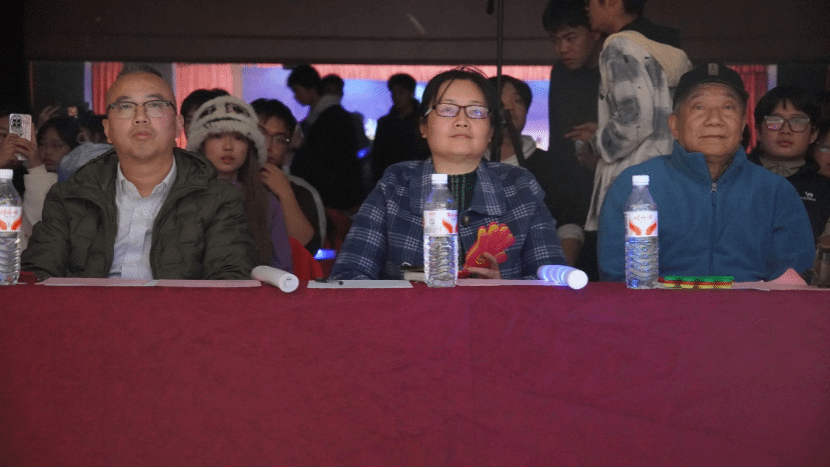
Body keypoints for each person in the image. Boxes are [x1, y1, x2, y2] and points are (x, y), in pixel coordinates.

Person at [22, 65, 257, 279]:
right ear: (108, 130)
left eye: (155, 105)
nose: (141, 118)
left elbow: (229, 282)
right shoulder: (69, 196)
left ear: (178, 125)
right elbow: (36, 278)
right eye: (125, 107)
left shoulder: (218, 198)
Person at [330, 68, 565, 280]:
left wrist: (502, 293)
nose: (462, 121)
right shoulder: (395, 184)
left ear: (491, 131)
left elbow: (552, 279)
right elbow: (349, 275)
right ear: (423, 126)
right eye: (447, 109)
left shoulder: (519, 186)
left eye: (476, 111)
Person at [598, 63, 815, 282]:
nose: (715, 119)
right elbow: (618, 278)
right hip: (658, 304)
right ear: (674, 125)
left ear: (742, 125)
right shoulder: (635, 185)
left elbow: (792, 280)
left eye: (728, 107)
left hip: (751, 305)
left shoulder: (776, 191)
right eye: (699, 107)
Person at [584, 0, 691, 233]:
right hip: (669, 178)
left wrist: (595, 142)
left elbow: (635, 121)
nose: (586, 8)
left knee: (630, 255)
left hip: (632, 186)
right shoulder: (669, 48)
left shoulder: (620, 46)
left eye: (589, 2)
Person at [486, 75, 587, 267]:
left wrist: (559, 273)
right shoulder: (470, 164)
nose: (509, 109)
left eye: (517, 101)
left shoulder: (552, 165)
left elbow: (569, 225)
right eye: (499, 102)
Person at [187, 95, 292, 271]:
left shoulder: (267, 203)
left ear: (250, 146)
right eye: (217, 136)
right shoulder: (183, 197)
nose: (228, 146)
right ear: (201, 144)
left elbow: (282, 269)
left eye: (238, 138)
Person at [747, 86, 829, 242]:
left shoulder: (825, 190)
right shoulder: (733, 179)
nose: (785, 130)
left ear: (813, 134)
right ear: (758, 132)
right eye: (774, 121)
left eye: (797, 122)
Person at [251, 98, 326, 255]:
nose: (268, 146)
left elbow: (308, 250)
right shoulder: (224, 182)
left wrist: (285, 194)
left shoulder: (302, 191)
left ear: (288, 147)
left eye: (279, 140)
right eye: (261, 134)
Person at [287, 65, 364, 211]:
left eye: (297, 90)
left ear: (310, 88)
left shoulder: (329, 119)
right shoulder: (326, 116)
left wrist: (302, 147)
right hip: (335, 194)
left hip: (333, 195)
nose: (295, 96)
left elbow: (331, 162)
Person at [19, 116, 81, 249]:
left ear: (75, 149)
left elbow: (42, 224)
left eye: (57, 146)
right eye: (42, 144)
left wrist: (36, 167)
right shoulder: (28, 177)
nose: (47, 152)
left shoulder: (78, 186)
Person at [369, 73, 429, 187]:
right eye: (394, 93)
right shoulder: (385, 122)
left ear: (411, 93)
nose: (396, 97)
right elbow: (378, 156)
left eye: (400, 92)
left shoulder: (423, 121)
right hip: (391, 180)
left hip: (418, 179)